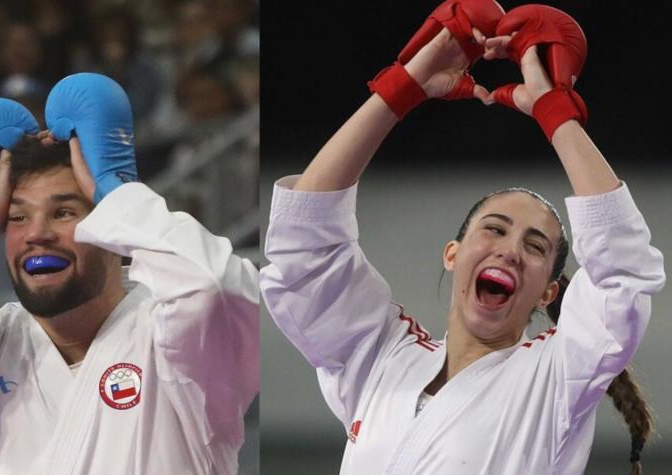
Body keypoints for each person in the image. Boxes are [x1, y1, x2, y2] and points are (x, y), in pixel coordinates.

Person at [260, 3, 664, 475]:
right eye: (493, 229)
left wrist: (556, 113)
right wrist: (400, 88)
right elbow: (303, 243)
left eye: (535, 247)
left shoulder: (553, 379)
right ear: (452, 255)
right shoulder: (380, 359)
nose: (510, 250)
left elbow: (622, 272)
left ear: (549, 293)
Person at [0, 73, 259, 474]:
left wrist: (116, 189)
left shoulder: (177, 343)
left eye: (63, 212)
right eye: (17, 217)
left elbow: (215, 288)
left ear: (111, 223)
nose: (37, 234)